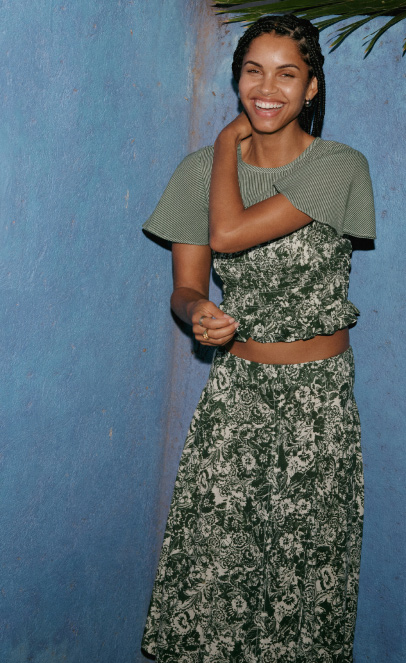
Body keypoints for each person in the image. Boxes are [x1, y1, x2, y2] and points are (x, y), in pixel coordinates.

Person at [141, 14, 376, 663]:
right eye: (253, 71)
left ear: (311, 88)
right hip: (235, 397)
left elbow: (230, 233)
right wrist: (198, 312)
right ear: (237, 79)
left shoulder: (338, 166)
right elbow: (185, 288)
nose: (267, 88)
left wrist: (225, 144)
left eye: (286, 74)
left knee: (302, 575)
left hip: (317, 404)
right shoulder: (198, 171)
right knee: (217, 568)